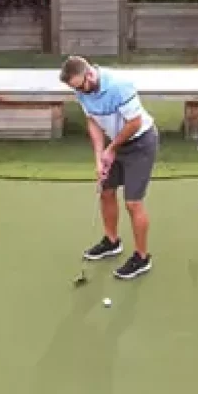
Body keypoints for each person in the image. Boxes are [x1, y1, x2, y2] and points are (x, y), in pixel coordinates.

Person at [59, 55, 159, 279]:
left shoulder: (119, 86)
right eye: (76, 89)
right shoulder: (82, 89)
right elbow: (93, 121)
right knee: (105, 191)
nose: (80, 92)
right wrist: (99, 157)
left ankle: (142, 258)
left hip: (140, 143)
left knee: (133, 203)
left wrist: (112, 148)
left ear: (90, 75)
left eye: (80, 86)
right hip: (116, 143)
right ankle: (112, 242)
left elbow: (135, 123)